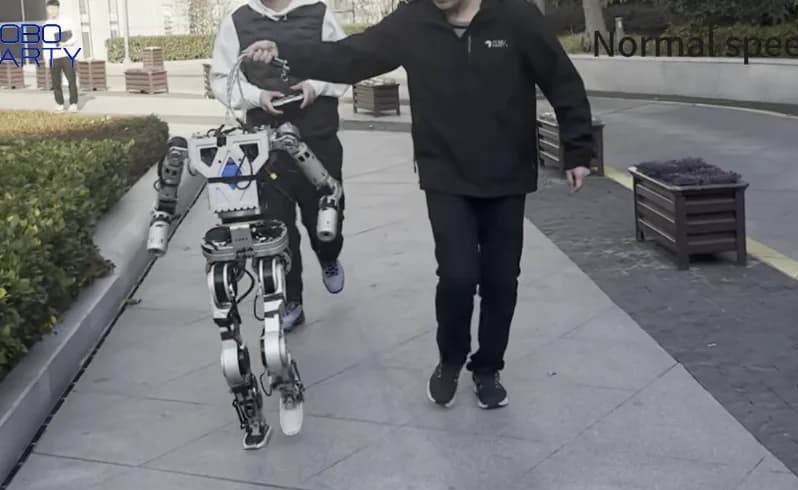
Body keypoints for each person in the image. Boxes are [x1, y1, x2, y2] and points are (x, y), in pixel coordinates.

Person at [242, 0, 594, 409]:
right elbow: (351, 56)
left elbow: (561, 79)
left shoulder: (516, 16)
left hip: (506, 174)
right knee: (458, 276)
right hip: (444, 172)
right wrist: (284, 51)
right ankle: (450, 360)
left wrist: (578, 149)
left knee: (501, 280)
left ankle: (488, 368)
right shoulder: (415, 20)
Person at [210, 0, 350, 332]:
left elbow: (345, 64)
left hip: (318, 137)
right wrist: (256, 96)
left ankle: (328, 255)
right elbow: (222, 78)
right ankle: (291, 300)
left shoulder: (319, 12)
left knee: (327, 216)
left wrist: (315, 86)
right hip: (264, 145)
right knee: (276, 227)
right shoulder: (237, 20)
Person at [45, 0, 79, 113]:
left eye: (54, 8)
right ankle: (59, 104)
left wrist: (66, 43)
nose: (52, 11)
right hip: (53, 56)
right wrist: (47, 59)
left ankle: (73, 103)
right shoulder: (46, 24)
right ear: (47, 10)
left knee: (71, 80)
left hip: (67, 54)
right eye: (50, 9)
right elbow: (45, 43)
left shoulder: (67, 21)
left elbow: (75, 36)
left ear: (58, 8)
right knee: (56, 82)